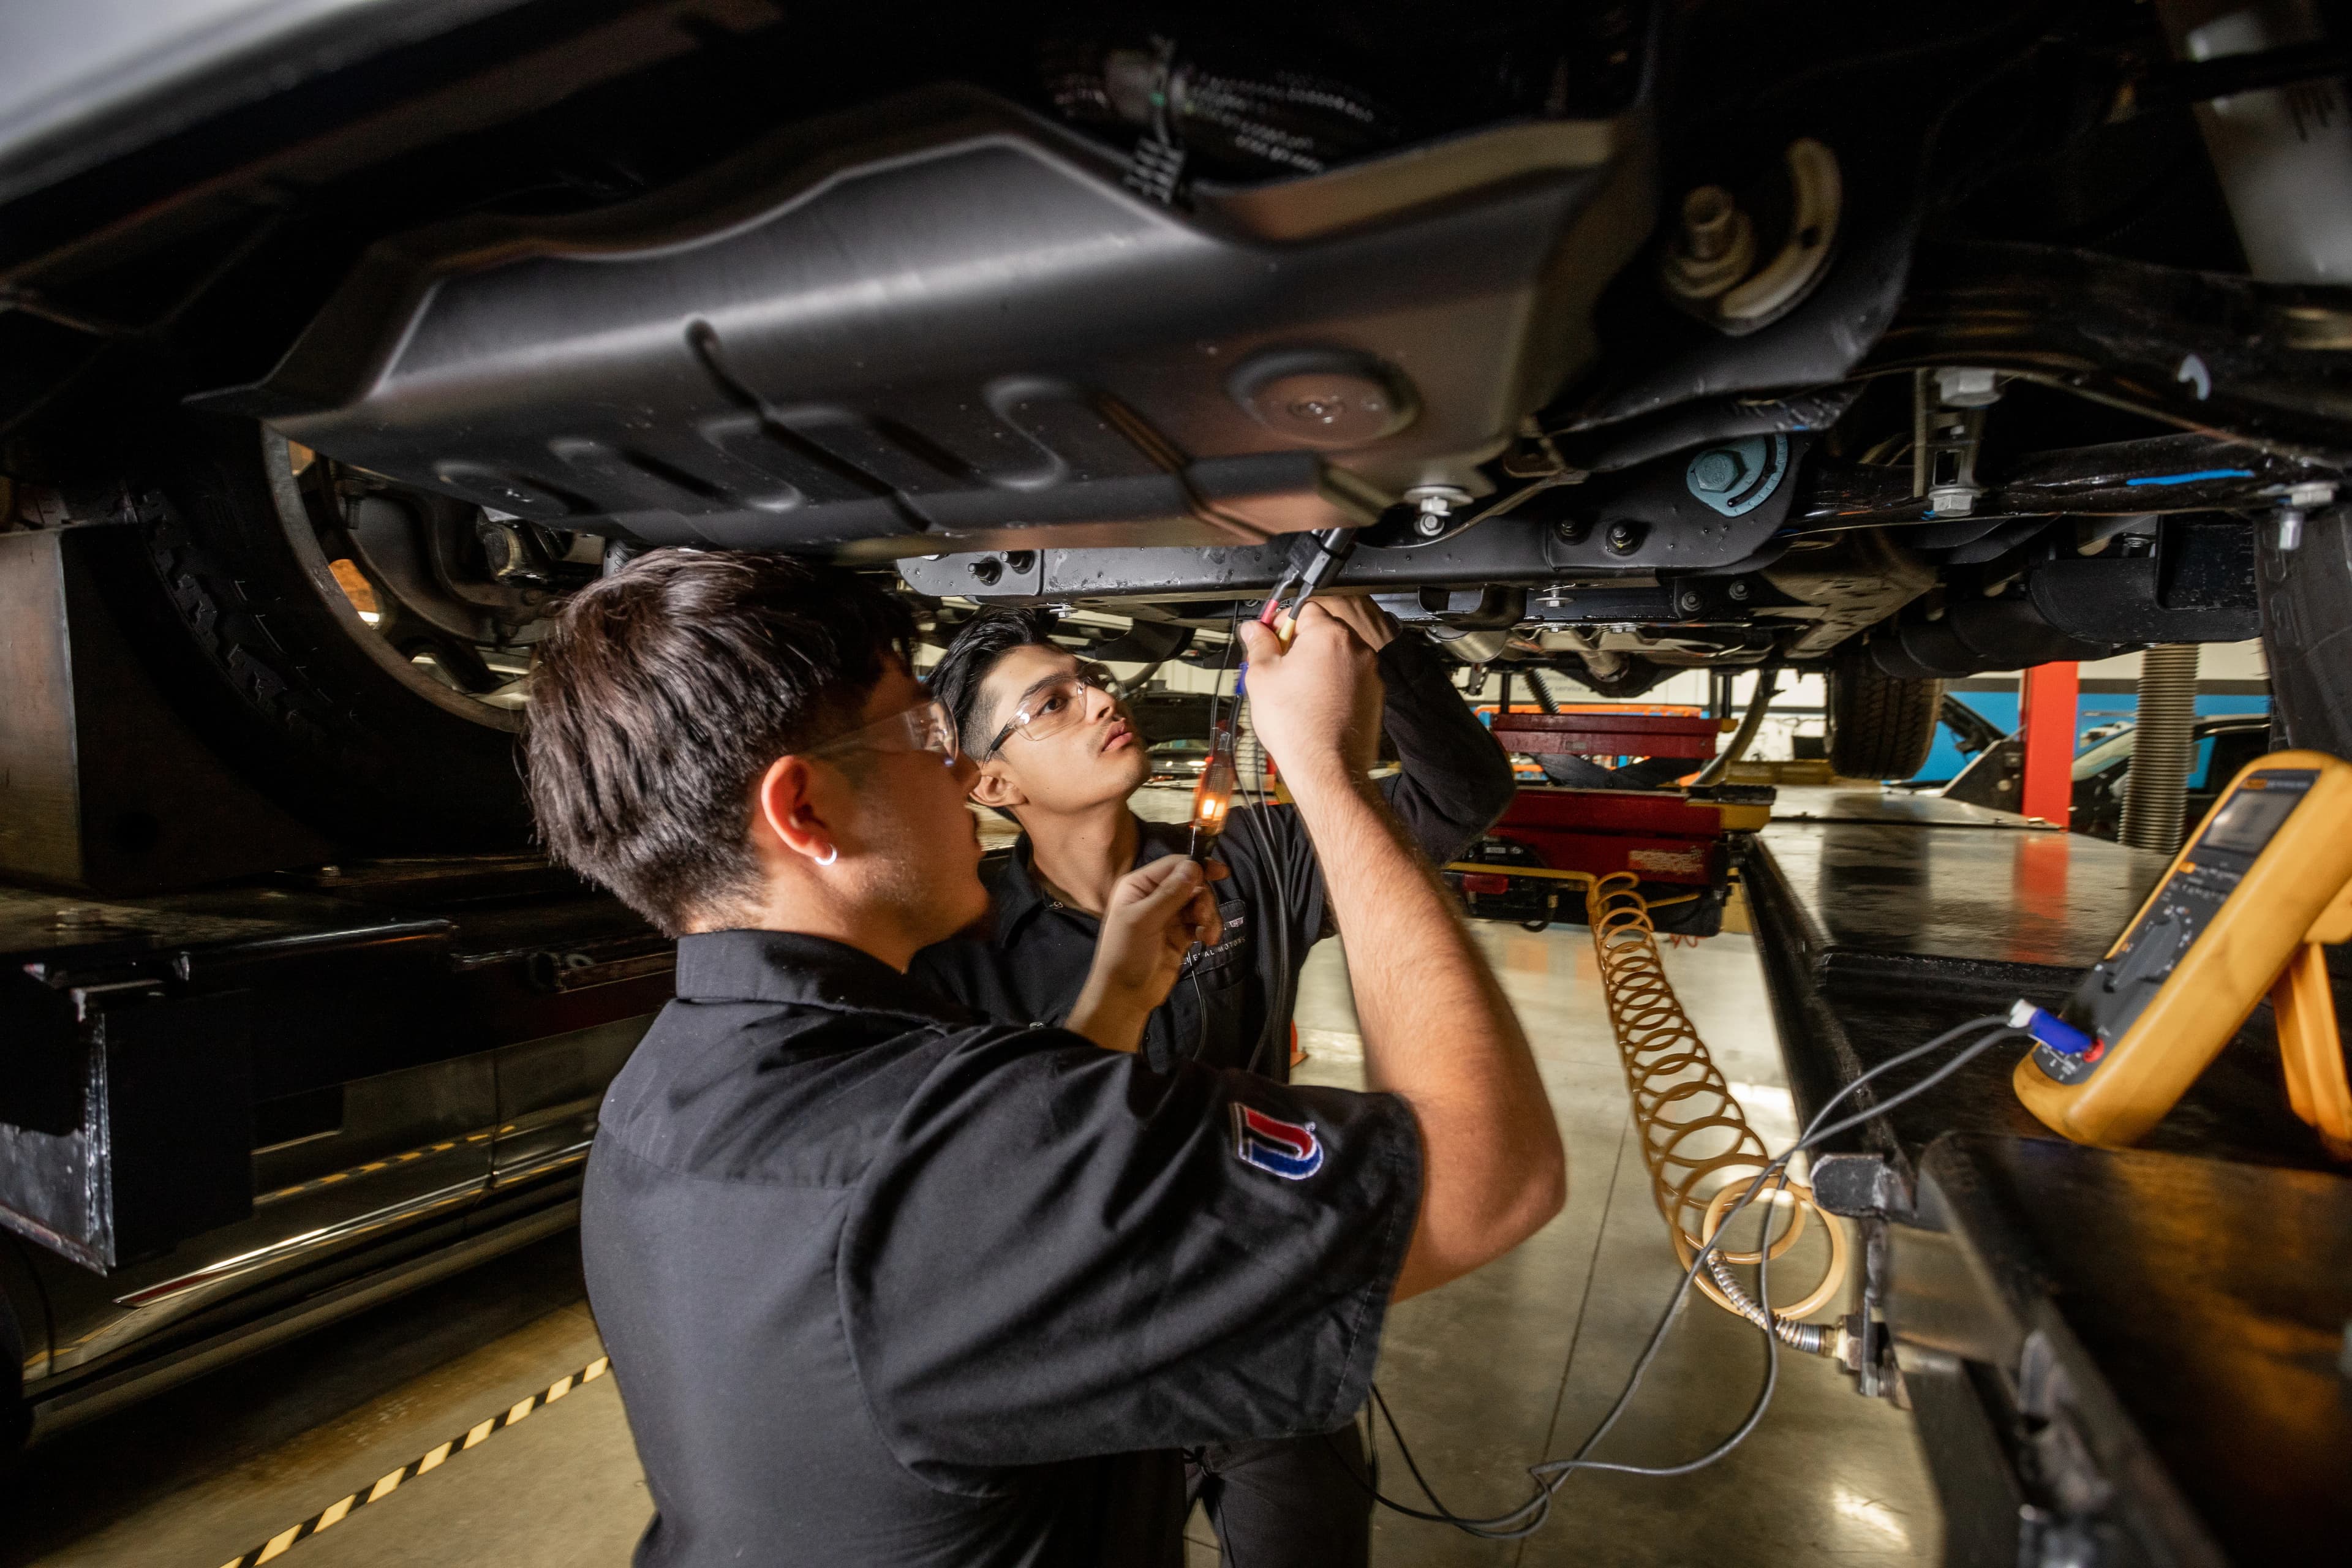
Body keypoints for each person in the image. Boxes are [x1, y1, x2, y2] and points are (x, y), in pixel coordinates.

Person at [526, 550, 1563, 1568]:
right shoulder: (951, 1134)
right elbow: (1485, 1174)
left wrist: (1114, 1003)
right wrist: (1325, 769)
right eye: (922, 735)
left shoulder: (655, 1103)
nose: (954, 775)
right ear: (804, 812)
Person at [912, 597, 1517, 1567]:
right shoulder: (961, 946)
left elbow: (1461, 796)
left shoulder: (1251, 860)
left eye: (1091, 679)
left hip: (1256, 1315)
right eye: (1053, 703)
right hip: (1087, 1348)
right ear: (992, 782)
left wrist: (1388, 655)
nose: (1102, 698)